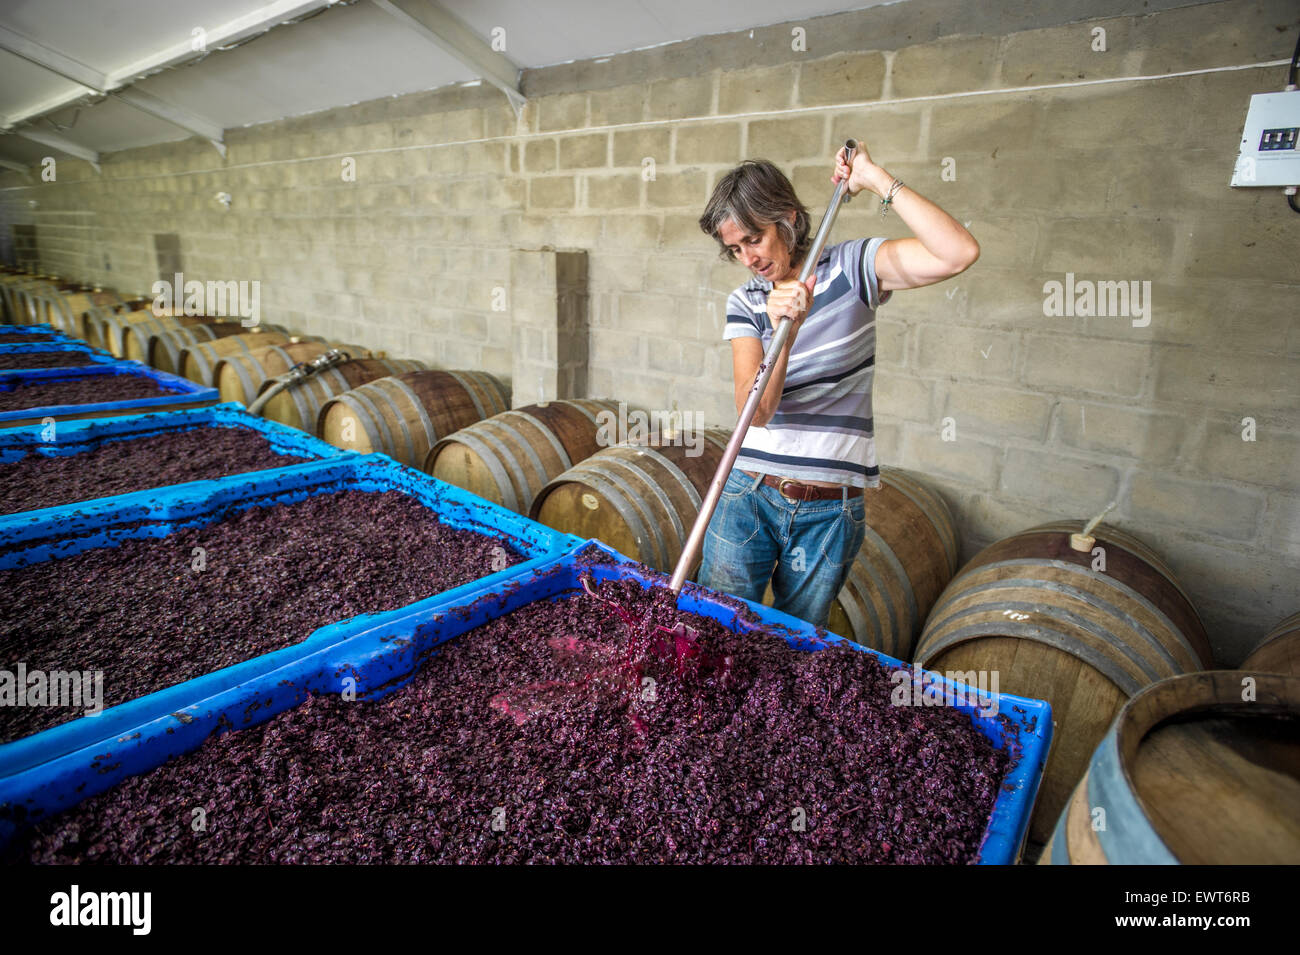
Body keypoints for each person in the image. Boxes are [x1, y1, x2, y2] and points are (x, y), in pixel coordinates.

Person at [695, 141, 979, 628]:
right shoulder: (748, 301)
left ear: (787, 219)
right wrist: (784, 338)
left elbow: (958, 253)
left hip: (830, 512)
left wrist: (873, 178)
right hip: (749, 496)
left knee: (795, 643)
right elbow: (755, 413)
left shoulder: (853, 268)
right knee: (715, 627)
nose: (748, 258)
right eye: (735, 249)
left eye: (754, 239)